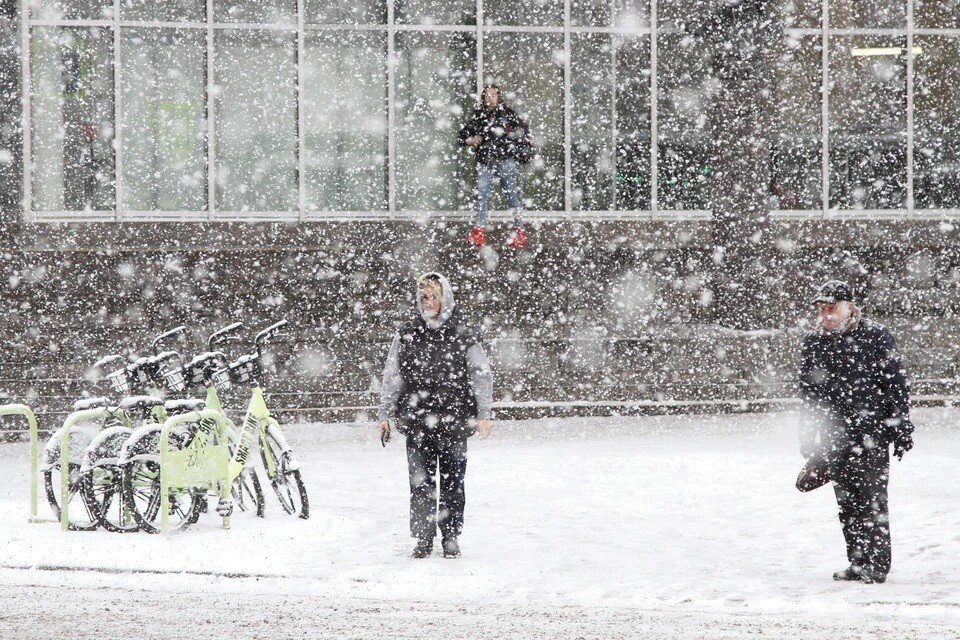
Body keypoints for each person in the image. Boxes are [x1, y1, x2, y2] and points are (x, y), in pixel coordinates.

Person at [798, 280, 914, 584]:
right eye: (822, 309)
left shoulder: (875, 336)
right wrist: (809, 442)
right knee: (847, 504)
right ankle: (858, 562)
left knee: (872, 501)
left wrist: (901, 426)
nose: (827, 315)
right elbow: (809, 395)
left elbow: (896, 384)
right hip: (834, 437)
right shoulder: (814, 342)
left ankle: (877, 565)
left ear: (850, 307)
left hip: (871, 434)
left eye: (832, 308)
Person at [378, 272, 494, 559]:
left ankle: (451, 535)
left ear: (446, 298)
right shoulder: (407, 332)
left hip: (455, 419)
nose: (428, 302)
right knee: (420, 482)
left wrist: (484, 413)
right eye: (424, 297)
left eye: (434, 296)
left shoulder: (463, 333)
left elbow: (481, 373)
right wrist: (385, 411)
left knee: (454, 481)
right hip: (417, 420)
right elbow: (392, 374)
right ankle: (423, 537)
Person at [458, 84, 531, 250]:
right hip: (485, 161)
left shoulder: (507, 113)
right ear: (483, 97)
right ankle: (479, 232)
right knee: (481, 196)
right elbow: (463, 135)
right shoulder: (479, 115)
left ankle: (520, 232)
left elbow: (522, 132)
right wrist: (469, 140)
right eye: (487, 95)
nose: (490, 97)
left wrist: (516, 150)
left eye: (493, 95)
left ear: (499, 97)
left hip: (506, 161)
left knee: (512, 195)